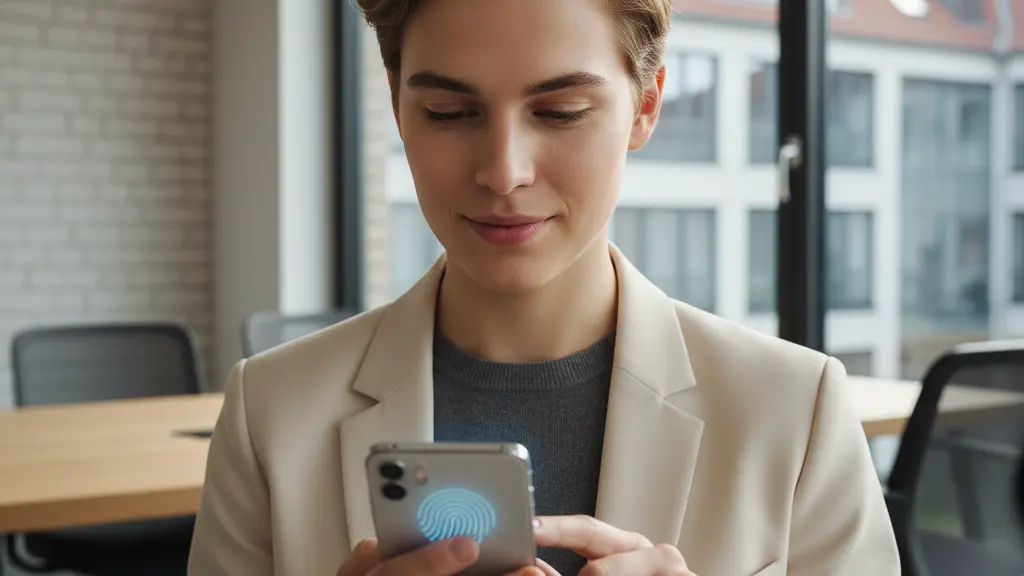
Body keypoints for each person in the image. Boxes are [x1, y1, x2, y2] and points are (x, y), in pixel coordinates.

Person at [187, 0, 901, 574]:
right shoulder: (270, 415)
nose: (504, 172)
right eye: (449, 112)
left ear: (646, 105)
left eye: (560, 112)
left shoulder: (793, 412)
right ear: (399, 109)